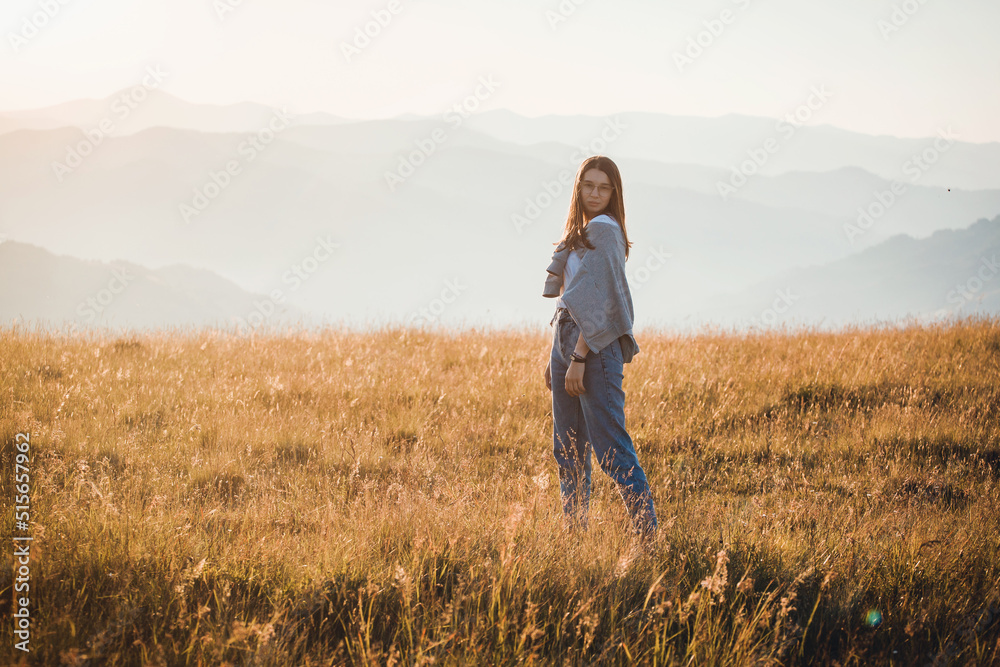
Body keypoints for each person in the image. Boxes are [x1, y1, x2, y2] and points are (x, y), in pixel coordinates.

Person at [542, 155, 657, 543]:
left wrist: (577, 357)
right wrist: (555, 356)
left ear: (613, 193)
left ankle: (648, 539)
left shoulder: (605, 231)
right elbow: (570, 300)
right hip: (566, 339)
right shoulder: (581, 231)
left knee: (611, 449)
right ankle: (575, 538)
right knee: (568, 450)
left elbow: (603, 302)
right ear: (579, 188)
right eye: (588, 185)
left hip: (591, 347)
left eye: (603, 187)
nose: (594, 193)